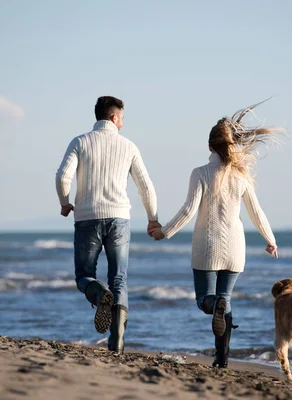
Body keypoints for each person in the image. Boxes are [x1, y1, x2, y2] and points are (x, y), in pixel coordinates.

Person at [149, 101, 280, 368]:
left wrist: (164, 232)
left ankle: (214, 305)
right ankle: (222, 360)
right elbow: (257, 211)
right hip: (235, 250)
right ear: (231, 145)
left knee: (205, 301)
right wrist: (270, 239)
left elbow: (188, 210)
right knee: (226, 301)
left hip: (207, 248)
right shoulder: (241, 176)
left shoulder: (200, 173)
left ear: (210, 146)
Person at [55, 96, 160, 353]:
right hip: (119, 219)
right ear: (114, 117)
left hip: (87, 218)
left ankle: (99, 292)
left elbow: (62, 176)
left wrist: (65, 202)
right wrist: (152, 218)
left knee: (84, 276)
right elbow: (145, 186)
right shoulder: (128, 146)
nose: (123, 123)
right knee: (120, 281)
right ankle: (117, 342)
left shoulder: (80, 142)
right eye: (122, 118)